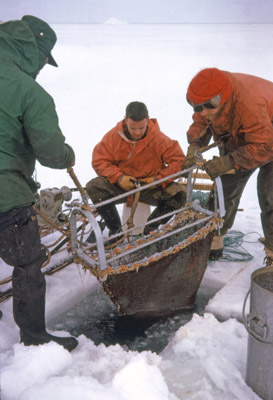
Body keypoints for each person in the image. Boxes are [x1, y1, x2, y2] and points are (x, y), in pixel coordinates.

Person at [0, 16, 78, 351]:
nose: (44, 67)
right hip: (7, 192)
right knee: (28, 262)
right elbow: (50, 152)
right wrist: (67, 155)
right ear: (34, 52)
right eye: (45, 60)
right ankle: (34, 339)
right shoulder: (29, 91)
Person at [183, 67, 273, 265]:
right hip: (239, 135)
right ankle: (214, 242)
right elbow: (201, 122)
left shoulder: (250, 105)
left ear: (222, 99)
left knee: (270, 195)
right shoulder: (206, 99)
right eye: (197, 106)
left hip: (269, 138)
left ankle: (272, 254)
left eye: (208, 106)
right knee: (223, 192)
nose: (203, 112)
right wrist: (195, 144)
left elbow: (265, 146)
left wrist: (230, 161)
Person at [86, 101, 186, 240]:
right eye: (133, 128)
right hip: (122, 186)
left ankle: (151, 230)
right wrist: (119, 178)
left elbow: (179, 160)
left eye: (141, 128)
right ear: (125, 120)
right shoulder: (113, 136)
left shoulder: (158, 138)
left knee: (179, 193)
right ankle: (116, 232)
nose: (137, 132)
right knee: (94, 186)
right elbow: (99, 160)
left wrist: (156, 180)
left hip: (149, 187)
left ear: (147, 121)